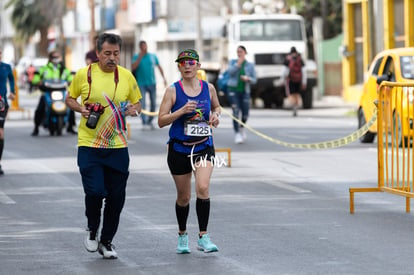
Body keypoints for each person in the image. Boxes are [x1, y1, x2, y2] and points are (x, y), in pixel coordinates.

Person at [65, 33, 142, 259]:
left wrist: (134, 109)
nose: (112, 58)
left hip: (118, 147)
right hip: (89, 145)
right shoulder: (84, 75)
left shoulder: (126, 76)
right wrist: (80, 109)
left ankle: (106, 241)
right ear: (98, 53)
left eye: (116, 53)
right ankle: (92, 229)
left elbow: (137, 102)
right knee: (95, 191)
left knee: (117, 197)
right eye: (107, 53)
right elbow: (69, 99)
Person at [158, 49, 221, 254]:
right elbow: (161, 120)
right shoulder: (173, 91)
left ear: (198, 66)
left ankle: (203, 236)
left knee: (203, 188)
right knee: (183, 197)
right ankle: (182, 235)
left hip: (203, 146)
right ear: (179, 67)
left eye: (191, 62)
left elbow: (217, 107)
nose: (187, 66)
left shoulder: (208, 88)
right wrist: (181, 112)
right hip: (179, 149)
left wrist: (215, 116)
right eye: (183, 63)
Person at [31, 50, 76, 136]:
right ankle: (36, 127)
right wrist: (38, 81)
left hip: (61, 92)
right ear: (50, 58)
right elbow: (36, 78)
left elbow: (70, 78)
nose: (56, 59)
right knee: (40, 108)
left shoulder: (64, 69)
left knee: (70, 107)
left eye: (57, 57)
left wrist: (71, 81)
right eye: (54, 57)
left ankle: (70, 126)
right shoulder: (44, 69)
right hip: (47, 92)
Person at [132, 40, 167, 130]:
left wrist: (164, 78)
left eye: (145, 46)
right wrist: (140, 57)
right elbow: (133, 67)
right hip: (141, 84)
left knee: (153, 103)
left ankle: (150, 121)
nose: (144, 48)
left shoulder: (152, 56)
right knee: (142, 104)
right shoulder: (136, 57)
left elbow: (159, 67)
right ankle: (144, 122)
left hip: (152, 83)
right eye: (142, 47)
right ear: (140, 48)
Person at [226, 45, 257, 144]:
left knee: (245, 114)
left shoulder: (250, 65)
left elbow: (254, 79)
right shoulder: (233, 62)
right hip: (233, 90)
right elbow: (230, 73)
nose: (239, 54)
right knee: (235, 112)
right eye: (238, 52)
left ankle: (242, 127)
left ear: (245, 53)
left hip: (245, 91)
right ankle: (237, 133)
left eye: (241, 52)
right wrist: (237, 65)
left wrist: (248, 79)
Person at [0, 49, 16, 175]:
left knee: (0, 133)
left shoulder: (6, 67)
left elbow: (11, 79)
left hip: (2, 104)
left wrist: (12, 92)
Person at [281, 46, 306, 116]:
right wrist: (304, 82)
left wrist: (282, 79)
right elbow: (304, 71)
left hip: (291, 80)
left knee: (291, 94)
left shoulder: (288, 59)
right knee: (297, 94)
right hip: (298, 80)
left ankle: (293, 105)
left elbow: (284, 71)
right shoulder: (300, 59)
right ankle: (296, 106)